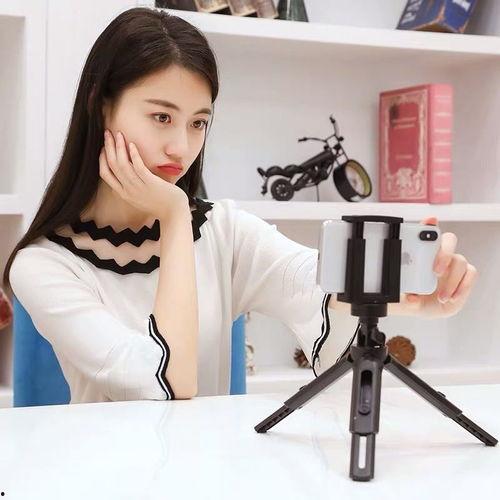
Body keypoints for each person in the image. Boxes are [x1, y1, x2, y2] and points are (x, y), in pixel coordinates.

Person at [2, 8, 477, 404]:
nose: (181, 148)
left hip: (219, 470)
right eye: (161, 117)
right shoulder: (44, 265)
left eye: (198, 123)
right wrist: (174, 215)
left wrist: (397, 292)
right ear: (102, 106)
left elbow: (311, 280)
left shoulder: (224, 231)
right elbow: (168, 382)